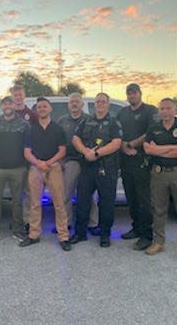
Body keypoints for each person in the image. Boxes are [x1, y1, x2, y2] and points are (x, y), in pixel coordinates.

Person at [143, 98, 177, 263]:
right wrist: (174, 148)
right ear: (159, 111)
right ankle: (159, 242)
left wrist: (158, 149)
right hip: (159, 174)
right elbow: (147, 149)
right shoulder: (154, 128)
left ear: (175, 110)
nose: (165, 112)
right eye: (162, 109)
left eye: (168, 108)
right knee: (159, 210)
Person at [70, 93, 122, 248]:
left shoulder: (113, 123)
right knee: (82, 201)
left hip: (107, 167)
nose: (100, 104)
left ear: (108, 104)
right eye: (97, 101)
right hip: (87, 167)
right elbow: (75, 139)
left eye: (103, 101)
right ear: (94, 104)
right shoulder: (85, 121)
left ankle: (105, 234)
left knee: (106, 203)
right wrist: (86, 152)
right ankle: (80, 233)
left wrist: (97, 153)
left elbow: (117, 143)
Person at [21, 97, 71, 251]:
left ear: (50, 109)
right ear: (37, 110)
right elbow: (27, 152)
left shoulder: (57, 129)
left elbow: (62, 150)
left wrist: (48, 163)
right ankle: (33, 235)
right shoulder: (30, 129)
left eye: (45, 106)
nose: (42, 109)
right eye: (39, 107)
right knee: (35, 204)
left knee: (59, 204)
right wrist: (39, 164)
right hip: (36, 167)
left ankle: (63, 237)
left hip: (54, 167)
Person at [117, 83, 158, 251]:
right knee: (131, 198)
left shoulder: (150, 111)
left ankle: (147, 236)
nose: (131, 96)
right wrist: (123, 146)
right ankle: (136, 228)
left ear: (140, 94)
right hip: (126, 160)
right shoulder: (122, 112)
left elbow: (152, 131)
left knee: (144, 199)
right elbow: (116, 133)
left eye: (134, 93)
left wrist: (132, 144)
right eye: (129, 93)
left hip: (142, 160)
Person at [0, 96, 29, 245]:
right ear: (2, 106)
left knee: (17, 202)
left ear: (14, 105)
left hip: (18, 169)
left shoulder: (23, 124)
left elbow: (28, 145)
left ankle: (17, 230)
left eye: (10, 103)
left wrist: (25, 165)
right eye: (5, 104)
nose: (7, 106)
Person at [57, 92, 99, 234]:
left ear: (82, 104)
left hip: (88, 161)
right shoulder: (62, 121)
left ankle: (93, 224)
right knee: (66, 194)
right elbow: (57, 142)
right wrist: (60, 160)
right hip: (70, 161)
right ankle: (66, 223)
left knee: (90, 195)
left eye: (77, 101)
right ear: (68, 105)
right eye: (71, 102)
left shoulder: (90, 120)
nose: (74, 104)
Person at [10, 84, 38, 231]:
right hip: (12, 159)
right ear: (12, 96)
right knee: (15, 192)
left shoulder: (32, 114)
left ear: (24, 96)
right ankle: (16, 220)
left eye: (20, 94)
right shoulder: (8, 113)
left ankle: (27, 221)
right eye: (15, 95)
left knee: (28, 192)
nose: (18, 97)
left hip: (27, 159)